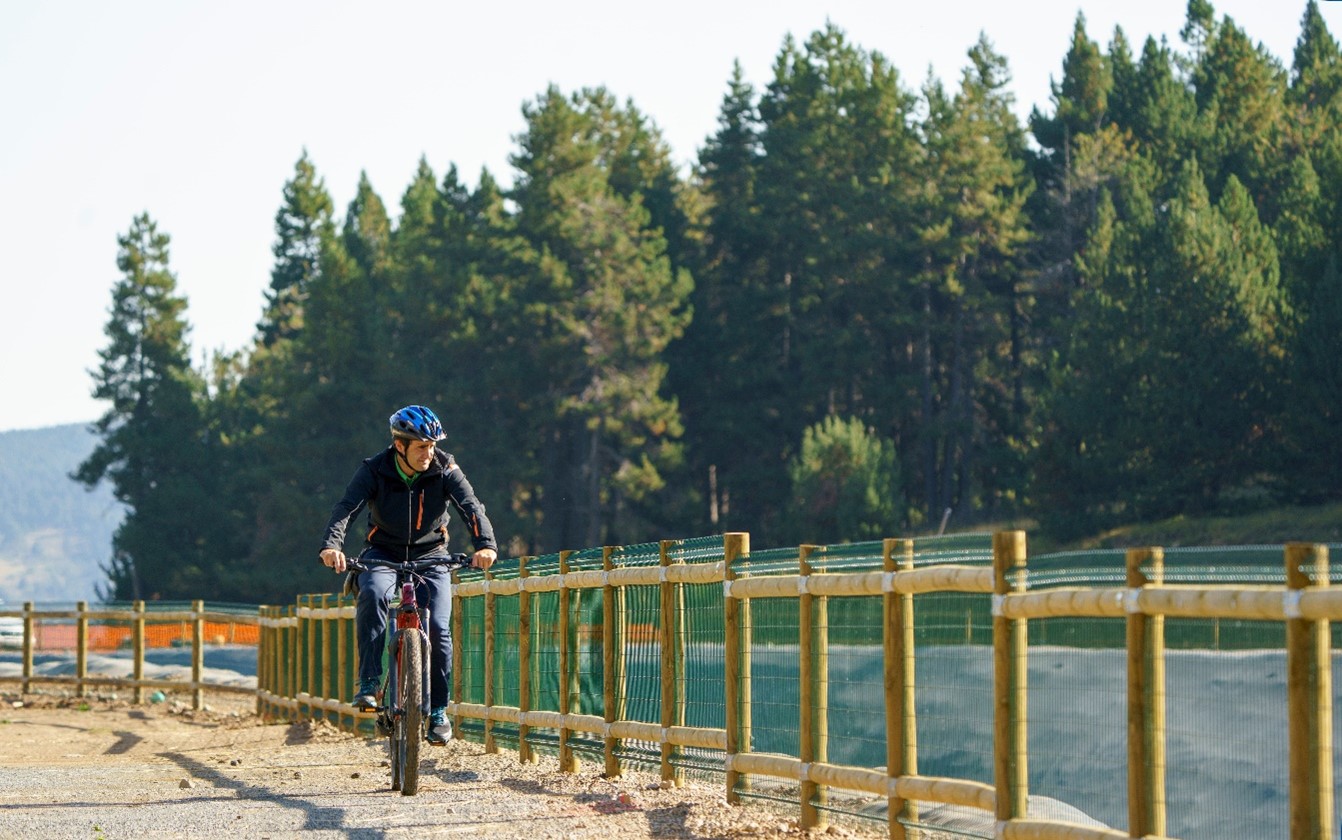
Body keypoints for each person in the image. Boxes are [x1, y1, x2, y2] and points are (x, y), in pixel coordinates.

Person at [318, 404, 498, 745]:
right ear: (399, 445)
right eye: (421, 446)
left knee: (439, 628)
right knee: (373, 594)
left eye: (432, 446)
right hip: (382, 553)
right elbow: (346, 508)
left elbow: (471, 506)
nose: (428, 453)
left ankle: (439, 712)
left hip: (432, 556)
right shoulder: (375, 470)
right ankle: (369, 683)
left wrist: (485, 545)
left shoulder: (445, 468)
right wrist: (332, 546)